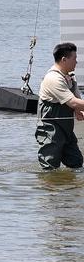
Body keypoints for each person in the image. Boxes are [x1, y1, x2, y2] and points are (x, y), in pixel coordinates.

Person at [35, 41, 84, 170]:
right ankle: (50, 189)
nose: (76, 62)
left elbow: (76, 100)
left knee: (76, 162)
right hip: (50, 127)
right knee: (50, 166)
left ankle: (70, 188)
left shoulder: (69, 77)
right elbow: (73, 102)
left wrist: (78, 111)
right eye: (74, 58)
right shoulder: (53, 79)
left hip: (66, 128)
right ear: (64, 59)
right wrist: (76, 107)